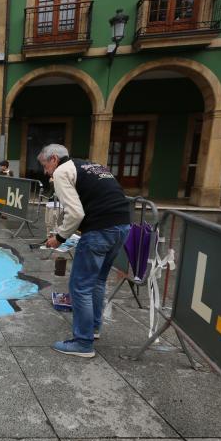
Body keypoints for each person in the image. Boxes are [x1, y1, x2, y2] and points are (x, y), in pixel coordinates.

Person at [40, 144, 131, 358]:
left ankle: (83, 342)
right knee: (98, 280)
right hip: (123, 226)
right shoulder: (89, 164)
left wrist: (59, 237)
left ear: (54, 158)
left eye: (45, 166)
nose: (46, 172)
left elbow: (75, 213)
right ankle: (94, 328)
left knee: (80, 286)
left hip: (100, 229)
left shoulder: (62, 171)